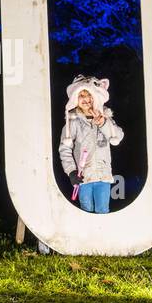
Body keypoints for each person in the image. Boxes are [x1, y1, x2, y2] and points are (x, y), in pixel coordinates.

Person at [58, 75, 125, 213]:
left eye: (88, 94)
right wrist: (71, 172)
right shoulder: (73, 122)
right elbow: (64, 149)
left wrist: (103, 123)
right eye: (81, 95)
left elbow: (118, 136)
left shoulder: (105, 117)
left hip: (103, 176)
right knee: (86, 210)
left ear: (95, 97)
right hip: (84, 177)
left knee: (102, 210)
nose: (85, 99)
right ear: (75, 99)